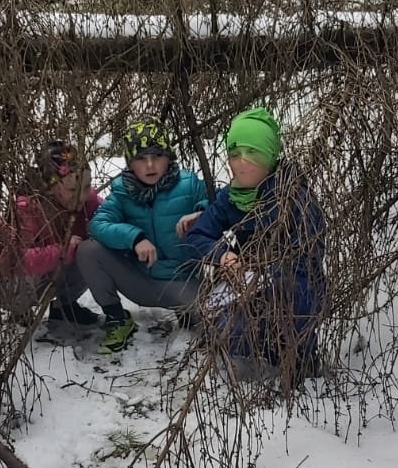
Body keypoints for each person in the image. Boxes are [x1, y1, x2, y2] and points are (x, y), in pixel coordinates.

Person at [184, 107, 326, 382]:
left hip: (294, 284)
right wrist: (223, 256)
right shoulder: (232, 196)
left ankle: (302, 361)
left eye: (253, 153)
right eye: (235, 154)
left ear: (270, 157)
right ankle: (265, 354)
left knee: (296, 297)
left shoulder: (296, 197)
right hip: (246, 283)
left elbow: (310, 254)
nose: (242, 163)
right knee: (227, 328)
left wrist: (265, 273)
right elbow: (197, 236)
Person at [77, 118, 208, 353]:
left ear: (169, 157)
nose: (150, 165)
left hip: (184, 284)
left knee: (210, 323)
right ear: (130, 163)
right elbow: (97, 224)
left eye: (157, 156)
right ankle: (118, 319)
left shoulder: (189, 185)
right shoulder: (123, 190)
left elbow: (215, 209)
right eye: (140, 158)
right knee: (88, 250)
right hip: (141, 280)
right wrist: (134, 238)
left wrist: (201, 215)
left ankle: (189, 314)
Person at [0, 141, 101, 336]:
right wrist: (62, 251)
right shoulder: (26, 208)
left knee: (91, 250)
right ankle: (19, 311)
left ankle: (64, 307)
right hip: (13, 284)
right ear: (50, 188)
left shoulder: (88, 201)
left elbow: (110, 218)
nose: (81, 196)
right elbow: (15, 260)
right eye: (73, 190)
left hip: (51, 270)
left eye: (86, 187)